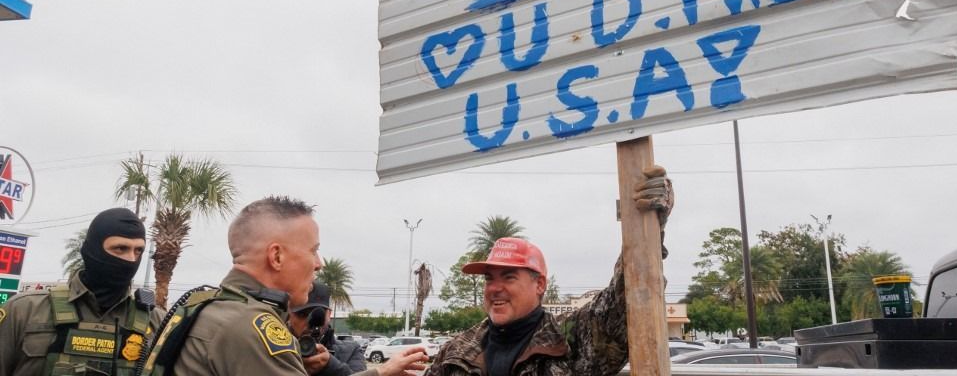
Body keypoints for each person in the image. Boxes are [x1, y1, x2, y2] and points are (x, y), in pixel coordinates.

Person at [424, 166, 673, 376]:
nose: (494, 288)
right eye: (490, 278)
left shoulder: (569, 338)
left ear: (540, 284)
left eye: (509, 277)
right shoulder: (456, 353)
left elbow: (627, 301)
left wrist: (649, 222)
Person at [142, 196, 426, 376]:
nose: (319, 263)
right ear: (276, 256)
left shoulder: (210, 306)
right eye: (313, 250)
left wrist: (381, 372)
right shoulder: (253, 327)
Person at [0, 207, 163, 376]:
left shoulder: (157, 322)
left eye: (138, 251)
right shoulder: (24, 311)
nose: (131, 259)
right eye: (120, 248)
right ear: (93, 249)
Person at [289, 281, 367, 376]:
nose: (310, 321)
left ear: (329, 315)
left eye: (319, 315)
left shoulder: (351, 351)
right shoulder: (276, 350)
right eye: (302, 314)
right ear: (290, 315)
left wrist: (330, 366)